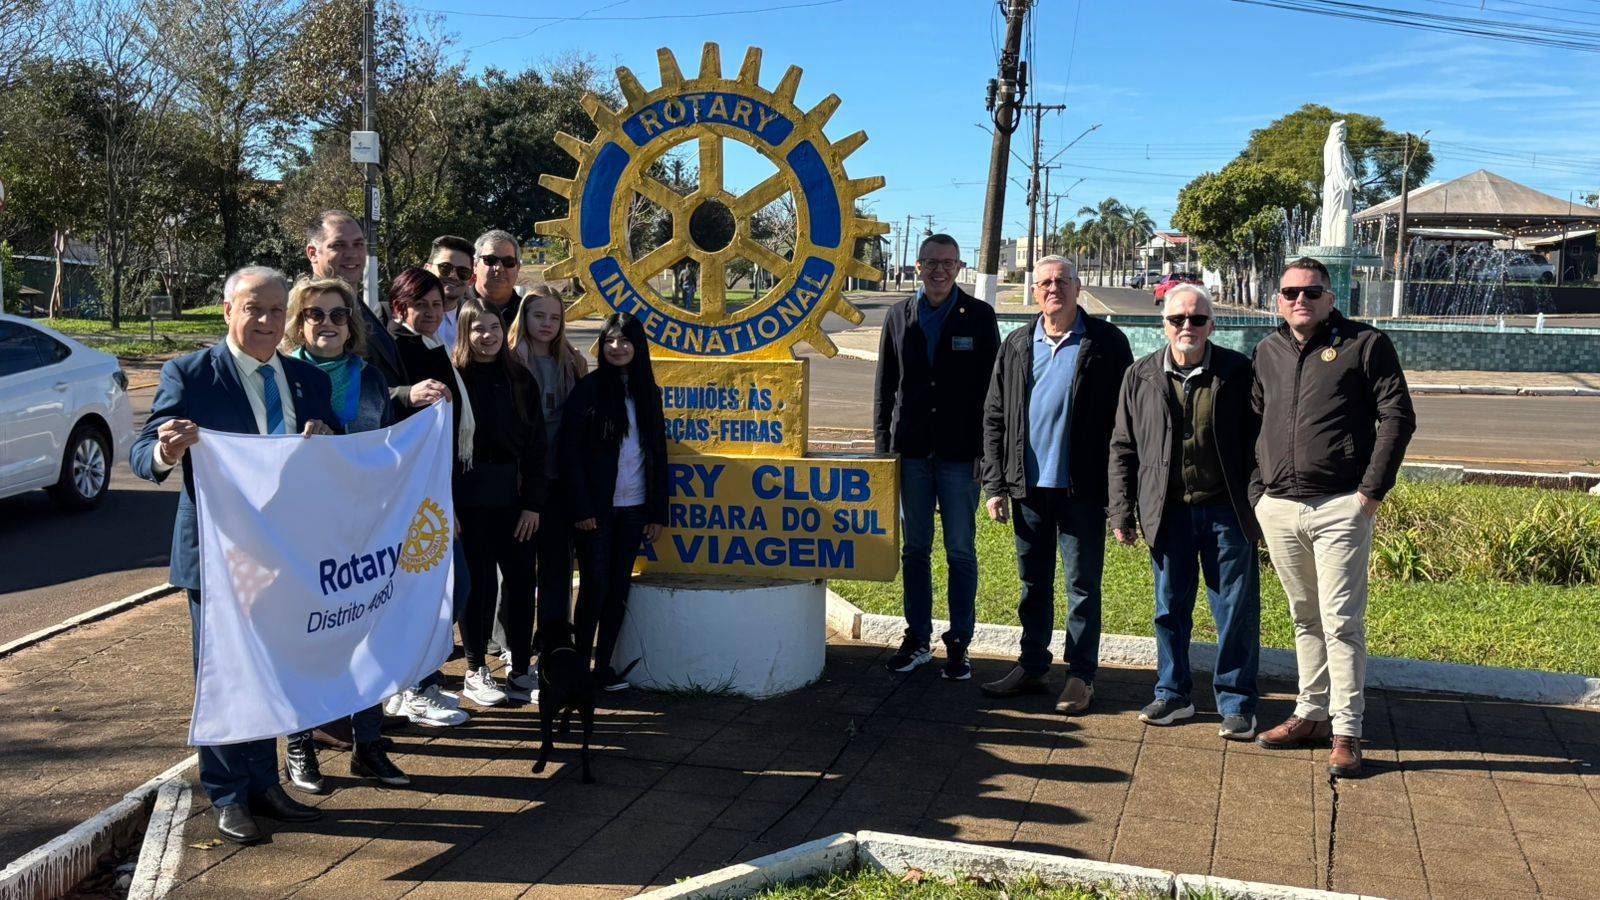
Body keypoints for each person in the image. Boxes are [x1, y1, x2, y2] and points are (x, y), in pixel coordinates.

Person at [130, 266, 332, 844]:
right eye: (254, 309)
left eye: (276, 311)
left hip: (285, 557)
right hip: (218, 560)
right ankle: (226, 795)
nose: (267, 322)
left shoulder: (304, 381)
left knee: (272, 672)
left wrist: (328, 440)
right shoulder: (189, 374)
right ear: (227, 310)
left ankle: (264, 784)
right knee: (223, 676)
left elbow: (336, 451)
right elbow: (145, 453)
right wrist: (167, 451)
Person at [1252, 257, 1415, 778]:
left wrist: (1369, 492)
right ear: (1277, 298)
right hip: (1280, 507)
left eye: (1312, 291)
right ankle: (1310, 713)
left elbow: (1398, 416)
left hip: (1340, 506)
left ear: (1331, 297)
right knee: (1305, 617)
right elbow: (1255, 421)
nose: (1300, 300)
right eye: (1290, 292)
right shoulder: (1268, 350)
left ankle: (1347, 729)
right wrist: (1259, 493)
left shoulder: (1365, 345)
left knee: (1341, 621)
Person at [1107, 284, 1262, 741]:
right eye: (1178, 320)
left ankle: (1235, 703)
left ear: (1212, 325)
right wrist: (1121, 511)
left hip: (1226, 512)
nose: (1187, 327)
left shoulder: (1238, 373)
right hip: (1167, 511)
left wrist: (1260, 503)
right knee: (1169, 608)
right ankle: (1173, 694)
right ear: (1164, 325)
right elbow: (1122, 447)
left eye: (1197, 319)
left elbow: (1260, 443)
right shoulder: (1141, 375)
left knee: (1234, 609)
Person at [979, 255, 1132, 714]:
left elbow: (1124, 421)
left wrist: (1120, 492)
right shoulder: (1018, 343)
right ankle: (1032, 665)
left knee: (1082, 586)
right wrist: (995, 485)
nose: (1053, 289)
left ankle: (1081, 676)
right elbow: (994, 416)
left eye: (1061, 281)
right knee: (1033, 584)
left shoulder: (1106, 342)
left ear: (1078, 287)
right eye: (1044, 282)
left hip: (1081, 489)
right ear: (1034, 291)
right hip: (1027, 487)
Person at [279, 276, 411, 789]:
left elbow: (387, 449)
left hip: (362, 527)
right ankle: (300, 745)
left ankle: (368, 745)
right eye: (316, 315)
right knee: (307, 641)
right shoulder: (282, 377)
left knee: (368, 637)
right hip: (303, 531)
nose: (328, 324)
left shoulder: (372, 378)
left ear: (352, 323)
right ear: (299, 322)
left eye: (338, 315)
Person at [873, 234, 999, 679]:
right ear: (917, 267)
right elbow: (885, 388)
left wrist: (989, 452)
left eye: (948, 263)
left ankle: (960, 642)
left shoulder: (980, 317)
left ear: (960, 267)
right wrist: (883, 450)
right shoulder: (897, 315)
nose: (939, 270)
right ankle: (918, 637)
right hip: (910, 453)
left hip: (960, 455)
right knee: (916, 550)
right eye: (931, 263)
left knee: (961, 551)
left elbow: (992, 394)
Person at [558, 313, 669, 691]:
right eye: (609, 341)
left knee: (619, 587)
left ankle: (602, 668)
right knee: (595, 587)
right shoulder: (588, 390)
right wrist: (582, 509)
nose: (617, 348)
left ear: (638, 346)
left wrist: (657, 511)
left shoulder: (648, 391)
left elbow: (657, 452)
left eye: (624, 341)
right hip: (597, 512)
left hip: (635, 508)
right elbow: (569, 455)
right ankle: (577, 668)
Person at [452, 298, 547, 706]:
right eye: (477, 328)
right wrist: (448, 506)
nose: (486, 336)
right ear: (465, 332)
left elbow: (537, 449)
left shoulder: (521, 380)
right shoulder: (453, 379)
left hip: (513, 497)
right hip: (469, 497)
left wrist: (532, 504)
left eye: (493, 327)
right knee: (479, 585)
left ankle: (521, 669)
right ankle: (475, 669)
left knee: (523, 584)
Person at [507, 285, 589, 663]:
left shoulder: (570, 363)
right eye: (539, 315)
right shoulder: (509, 360)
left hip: (558, 481)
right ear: (524, 317)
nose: (547, 324)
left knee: (557, 567)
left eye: (555, 317)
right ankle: (511, 646)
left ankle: (554, 644)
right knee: (517, 572)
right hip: (522, 484)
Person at [305, 210, 451, 415]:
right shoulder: (309, 311)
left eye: (358, 244)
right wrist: (404, 395)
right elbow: (324, 385)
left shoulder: (357, 303)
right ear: (313, 253)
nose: (352, 254)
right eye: (338, 245)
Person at [427, 234, 475, 350]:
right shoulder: (396, 315)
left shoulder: (476, 321)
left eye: (463, 272)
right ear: (427, 269)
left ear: (470, 279)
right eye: (445, 268)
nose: (453, 276)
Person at [474, 229, 525, 326]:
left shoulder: (528, 313)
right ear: (475, 266)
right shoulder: (454, 308)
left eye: (508, 261)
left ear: (517, 268)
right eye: (490, 260)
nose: (499, 268)